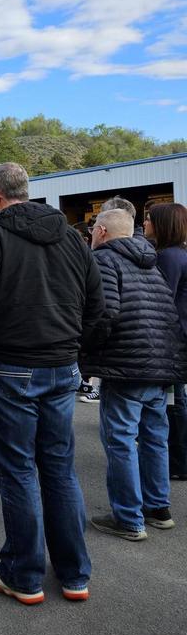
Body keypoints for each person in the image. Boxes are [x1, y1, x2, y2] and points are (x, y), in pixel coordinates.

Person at [0, 162, 105, 604]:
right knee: (59, 468)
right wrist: (79, 354)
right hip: (61, 367)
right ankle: (75, 574)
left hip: (11, 367)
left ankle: (23, 573)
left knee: (18, 471)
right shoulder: (73, 239)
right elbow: (96, 305)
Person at [82, 209, 187, 539]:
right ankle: (158, 508)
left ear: (101, 231)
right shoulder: (152, 262)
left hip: (127, 365)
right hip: (162, 363)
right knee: (155, 437)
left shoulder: (105, 260)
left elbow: (106, 312)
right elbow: (168, 310)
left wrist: (87, 351)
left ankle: (128, 518)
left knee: (121, 440)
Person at [144, 203, 187, 480]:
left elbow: (162, 299)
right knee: (177, 399)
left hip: (174, 341)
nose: (145, 223)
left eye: (149, 219)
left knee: (175, 402)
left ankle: (177, 461)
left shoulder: (168, 258)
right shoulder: (180, 254)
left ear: (162, 225)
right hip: (180, 338)